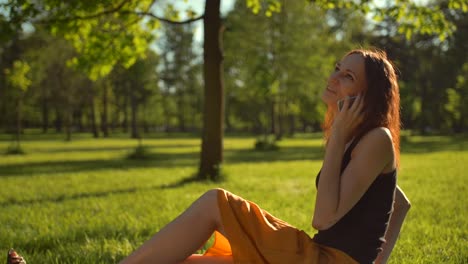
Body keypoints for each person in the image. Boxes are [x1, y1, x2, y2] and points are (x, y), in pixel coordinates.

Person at [8, 48, 411, 264]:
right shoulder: (363, 139)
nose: (333, 77)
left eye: (347, 76)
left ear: (369, 95)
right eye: (337, 68)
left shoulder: (373, 138)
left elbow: (323, 219)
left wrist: (338, 135)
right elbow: (399, 202)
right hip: (313, 255)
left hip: (321, 260)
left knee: (216, 202)